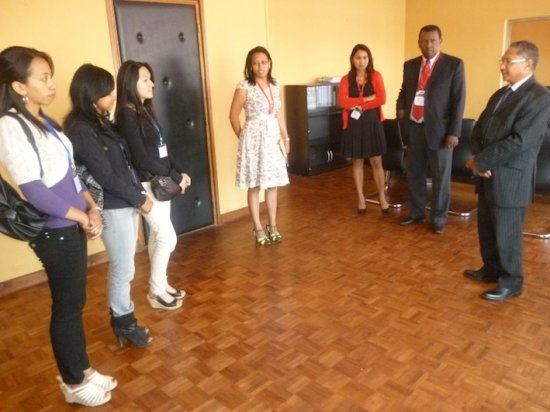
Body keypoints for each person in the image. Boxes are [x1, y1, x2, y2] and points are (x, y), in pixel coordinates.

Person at [0, 46, 116, 406]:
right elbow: (35, 191)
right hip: (54, 230)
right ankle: (73, 383)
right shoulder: (10, 126)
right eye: (44, 78)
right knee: (66, 308)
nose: (52, 84)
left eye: (50, 76)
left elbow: (69, 175)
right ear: (19, 86)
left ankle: (83, 369)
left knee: (75, 302)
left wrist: (92, 207)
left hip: (71, 224)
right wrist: (82, 217)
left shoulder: (44, 121)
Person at [64, 64, 154, 346]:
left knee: (125, 266)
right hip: (113, 207)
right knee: (122, 267)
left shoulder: (100, 122)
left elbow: (122, 165)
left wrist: (135, 195)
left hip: (123, 201)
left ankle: (123, 320)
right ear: (90, 94)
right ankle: (124, 323)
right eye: (106, 93)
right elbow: (104, 175)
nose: (113, 97)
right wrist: (139, 198)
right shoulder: (80, 130)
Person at [464, 41, 550, 301]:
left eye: (508, 62)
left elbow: (520, 141)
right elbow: (479, 128)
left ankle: (512, 281)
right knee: (487, 227)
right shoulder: (501, 94)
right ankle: (491, 268)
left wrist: (482, 161)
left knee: (507, 232)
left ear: (528, 64)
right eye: (502, 61)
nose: (502, 66)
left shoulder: (540, 97)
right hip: (488, 173)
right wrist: (478, 159)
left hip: (511, 176)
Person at [115, 60, 190, 311]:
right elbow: (141, 158)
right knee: (168, 238)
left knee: (160, 236)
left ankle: (161, 284)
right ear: (130, 83)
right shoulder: (126, 114)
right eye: (145, 79)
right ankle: (156, 291)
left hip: (158, 180)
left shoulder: (143, 110)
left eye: (151, 78)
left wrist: (179, 171)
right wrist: (175, 177)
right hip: (147, 184)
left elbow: (161, 149)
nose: (152, 84)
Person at [396, 24, 466, 234]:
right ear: (418, 42)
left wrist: (454, 132)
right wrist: (400, 108)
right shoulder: (410, 65)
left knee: (440, 178)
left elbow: (459, 100)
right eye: (424, 41)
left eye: (433, 41)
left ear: (440, 42)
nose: (428, 45)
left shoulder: (454, 65)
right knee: (414, 174)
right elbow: (405, 90)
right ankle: (416, 213)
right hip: (414, 128)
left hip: (441, 132)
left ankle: (438, 219)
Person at [229, 46, 290, 246]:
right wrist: (243, 138)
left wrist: (286, 138)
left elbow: (278, 114)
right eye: (255, 63)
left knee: (272, 184)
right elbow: (233, 116)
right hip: (253, 140)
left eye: (263, 62)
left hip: (272, 138)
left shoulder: (275, 84)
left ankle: (273, 225)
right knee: (254, 185)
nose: (260, 66)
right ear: (250, 66)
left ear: (269, 63)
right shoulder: (244, 86)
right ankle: (257, 227)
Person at [338, 44, 388, 214]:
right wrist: (366, 99)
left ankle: (382, 196)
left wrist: (360, 106)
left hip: (372, 123)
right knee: (357, 162)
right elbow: (343, 102)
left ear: (369, 59)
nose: (361, 61)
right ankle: (360, 197)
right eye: (358, 57)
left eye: (365, 57)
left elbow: (381, 99)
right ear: (352, 59)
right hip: (354, 124)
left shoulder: (376, 76)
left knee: (376, 161)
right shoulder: (346, 79)